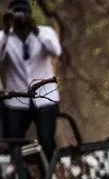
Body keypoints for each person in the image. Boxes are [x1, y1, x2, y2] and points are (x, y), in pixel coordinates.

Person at [0, 0, 61, 158]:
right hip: (17, 100)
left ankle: (49, 170)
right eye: (16, 13)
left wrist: (35, 30)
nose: (20, 17)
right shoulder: (4, 37)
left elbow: (56, 51)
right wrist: (6, 32)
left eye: (23, 12)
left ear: (30, 14)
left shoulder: (44, 32)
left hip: (45, 97)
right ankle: (19, 171)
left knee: (46, 141)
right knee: (14, 144)